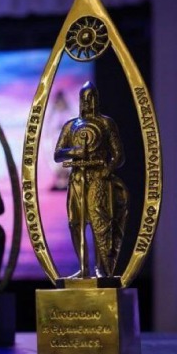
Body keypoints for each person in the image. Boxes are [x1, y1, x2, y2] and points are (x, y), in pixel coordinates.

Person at [54, 81, 128, 278]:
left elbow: (119, 155)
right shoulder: (70, 126)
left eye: (91, 97)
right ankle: (83, 268)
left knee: (98, 223)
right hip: (77, 179)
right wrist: (75, 151)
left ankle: (100, 268)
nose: (88, 102)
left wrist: (107, 170)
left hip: (98, 179)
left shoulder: (106, 124)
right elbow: (58, 154)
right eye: (84, 98)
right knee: (75, 223)